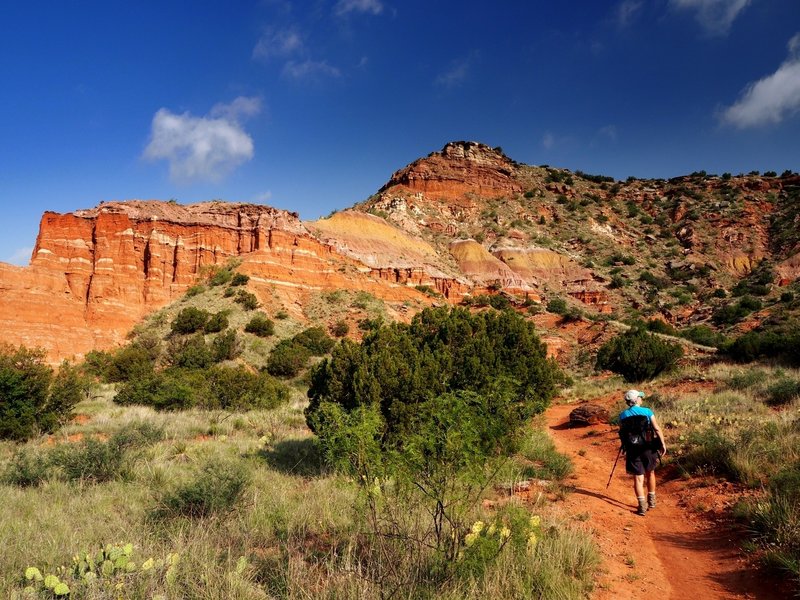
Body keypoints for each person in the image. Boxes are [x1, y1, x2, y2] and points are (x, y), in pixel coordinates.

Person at [618, 389, 666, 516]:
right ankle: (652, 500)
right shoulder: (647, 411)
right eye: (640, 396)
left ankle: (642, 506)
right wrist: (662, 444)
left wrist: (624, 446)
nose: (641, 398)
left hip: (633, 450)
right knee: (650, 473)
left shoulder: (622, 415)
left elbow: (623, 433)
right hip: (648, 448)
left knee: (638, 478)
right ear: (637, 399)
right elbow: (656, 428)